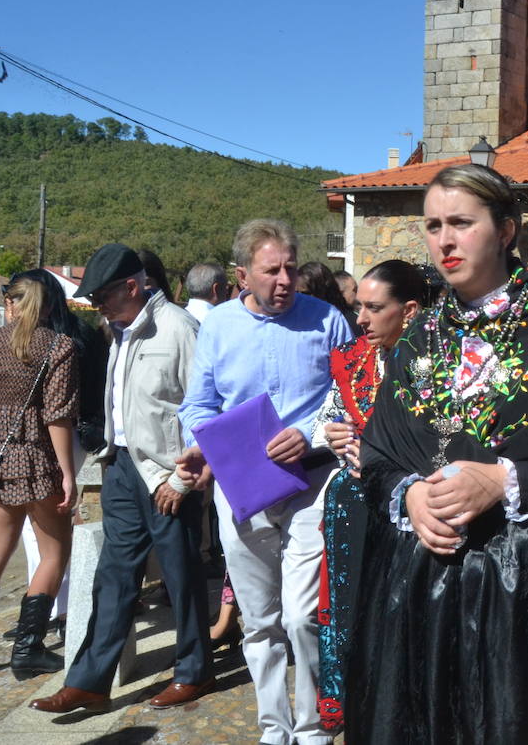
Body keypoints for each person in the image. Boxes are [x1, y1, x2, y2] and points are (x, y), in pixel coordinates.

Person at [344, 164, 528, 743]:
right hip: (421, 594)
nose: (445, 241)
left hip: (521, 596)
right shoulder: (419, 335)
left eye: (462, 222)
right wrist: (408, 494)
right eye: (433, 225)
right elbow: (380, 453)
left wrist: (507, 481)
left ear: (506, 230)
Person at [177, 219, 353, 745]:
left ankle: (314, 729)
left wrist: (307, 433)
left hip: (311, 484)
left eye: (291, 269)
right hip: (243, 489)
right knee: (258, 620)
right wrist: (202, 444)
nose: (284, 280)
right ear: (242, 275)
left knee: (302, 616)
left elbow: (350, 395)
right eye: (271, 270)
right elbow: (199, 403)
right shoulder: (219, 327)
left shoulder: (328, 321)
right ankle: (274, 730)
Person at [32, 244, 212, 713]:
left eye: (103, 297)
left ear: (131, 287)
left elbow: (205, 408)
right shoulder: (120, 331)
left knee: (181, 575)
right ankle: (90, 680)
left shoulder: (178, 329)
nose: (97, 307)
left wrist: (185, 480)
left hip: (170, 474)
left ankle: (193, 671)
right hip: (123, 467)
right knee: (112, 577)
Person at [310, 260, 426, 732]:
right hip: (353, 506)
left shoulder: (433, 366)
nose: (360, 318)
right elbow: (324, 420)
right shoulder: (354, 357)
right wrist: (331, 434)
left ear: (410, 311)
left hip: (408, 509)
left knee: (401, 616)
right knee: (350, 608)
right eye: (359, 306)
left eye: (374, 308)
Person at [4, 269, 108, 632]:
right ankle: (38, 631)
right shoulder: (65, 342)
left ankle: (45, 623)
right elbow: (61, 414)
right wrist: (68, 471)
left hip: (10, 457)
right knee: (52, 544)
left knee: (11, 548)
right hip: (51, 450)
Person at [0, 276, 78, 679]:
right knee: (53, 554)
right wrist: (67, 472)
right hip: (41, 459)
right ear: (47, 308)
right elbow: (57, 415)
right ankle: (27, 650)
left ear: (9, 303)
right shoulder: (57, 346)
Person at [299, 261, 359, 333]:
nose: (299, 298)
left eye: (306, 294)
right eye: (295, 293)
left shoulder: (346, 323)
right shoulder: (293, 320)